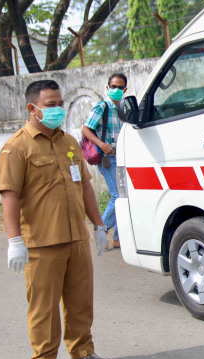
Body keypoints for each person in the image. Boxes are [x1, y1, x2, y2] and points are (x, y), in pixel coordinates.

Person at [0, 80, 112, 359]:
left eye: (60, 103)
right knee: (43, 308)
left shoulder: (69, 142)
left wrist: (99, 224)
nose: (57, 109)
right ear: (31, 108)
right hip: (40, 243)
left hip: (76, 238)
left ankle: (82, 351)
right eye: (50, 104)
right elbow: (9, 196)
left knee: (80, 301)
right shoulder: (16, 147)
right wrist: (14, 242)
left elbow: (86, 186)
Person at [81, 73, 128, 250]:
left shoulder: (122, 108)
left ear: (125, 90)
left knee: (124, 197)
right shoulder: (103, 106)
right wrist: (102, 144)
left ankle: (118, 238)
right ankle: (102, 229)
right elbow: (85, 129)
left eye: (120, 87)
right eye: (113, 86)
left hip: (121, 156)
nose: (116, 90)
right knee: (117, 196)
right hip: (107, 157)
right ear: (108, 88)